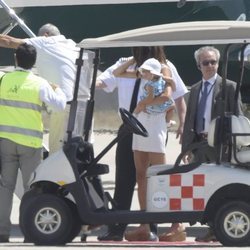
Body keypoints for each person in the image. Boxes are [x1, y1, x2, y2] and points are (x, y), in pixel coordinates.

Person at [96, 46, 188, 241]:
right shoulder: (131, 67)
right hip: (129, 126)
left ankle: (163, 224)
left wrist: (182, 122)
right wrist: (131, 61)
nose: (139, 51)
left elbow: (175, 96)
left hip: (153, 128)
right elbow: (106, 79)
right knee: (127, 178)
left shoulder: (164, 67)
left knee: (158, 177)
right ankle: (121, 228)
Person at [0, 43, 67, 242]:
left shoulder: (3, 79)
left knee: (5, 187)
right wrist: (59, 90)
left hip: (5, 142)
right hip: (30, 143)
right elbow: (59, 106)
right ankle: (29, 230)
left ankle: (2, 231)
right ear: (34, 62)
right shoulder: (39, 83)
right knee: (32, 189)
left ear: (15, 58)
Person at [182, 46, 243, 242]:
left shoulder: (230, 87)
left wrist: (238, 144)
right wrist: (186, 148)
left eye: (213, 62)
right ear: (199, 66)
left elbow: (239, 117)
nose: (210, 66)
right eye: (205, 63)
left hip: (220, 145)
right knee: (201, 188)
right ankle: (210, 227)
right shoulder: (195, 89)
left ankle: (216, 229)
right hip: (198, 144)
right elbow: (189, 119)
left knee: (221, 188)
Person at [0, 23, 91, 154]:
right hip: (85, 105)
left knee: (58, 153)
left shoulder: (45, 42)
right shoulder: (72, 45)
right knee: (82, 151)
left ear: (45, 35)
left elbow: (8, 41)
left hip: (66, 105)